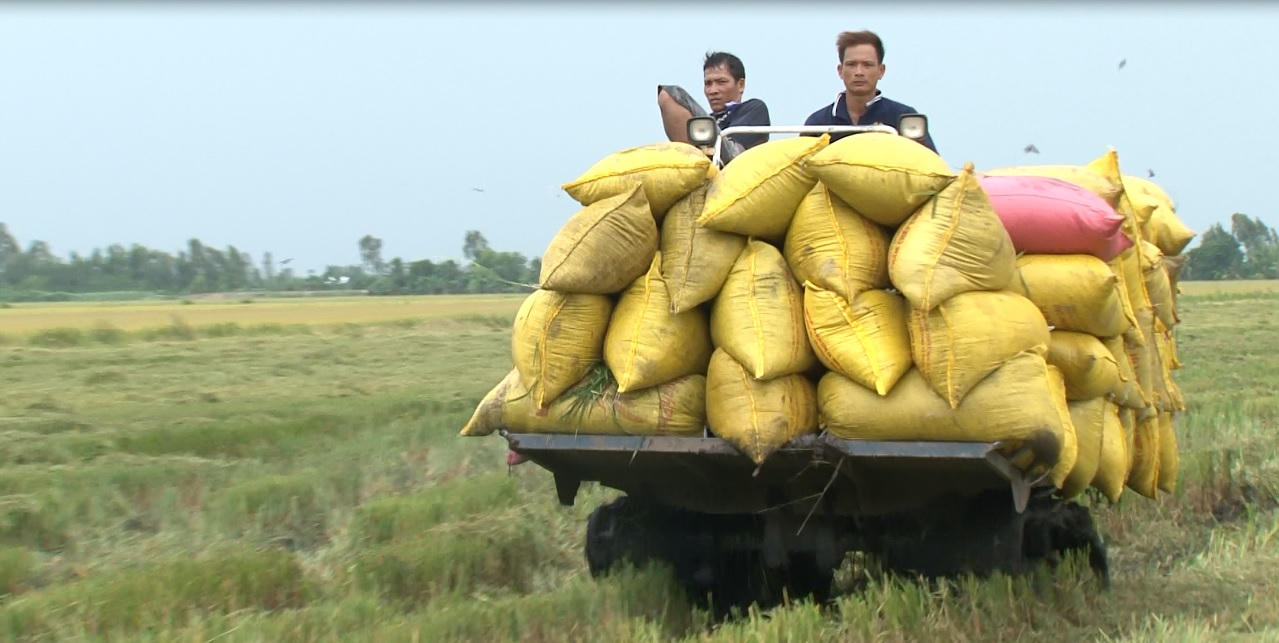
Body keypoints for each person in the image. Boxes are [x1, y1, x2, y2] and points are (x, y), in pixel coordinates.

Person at [804, 30, 937, 153]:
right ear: (840, 71)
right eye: (851, 64)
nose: (859, 72)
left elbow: (930, 165)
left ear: (881, 71)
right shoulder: (817, 123)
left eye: (867, 65)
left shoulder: (904, 118)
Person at [657, 51, 770, 163]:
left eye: (721, 82)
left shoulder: (753, 109)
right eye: (708, 84)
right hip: (704, 159)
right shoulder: (704, 121)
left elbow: (735, 153)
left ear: (740, 85)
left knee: (669, 94)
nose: (713, 90)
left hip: (731, 161)